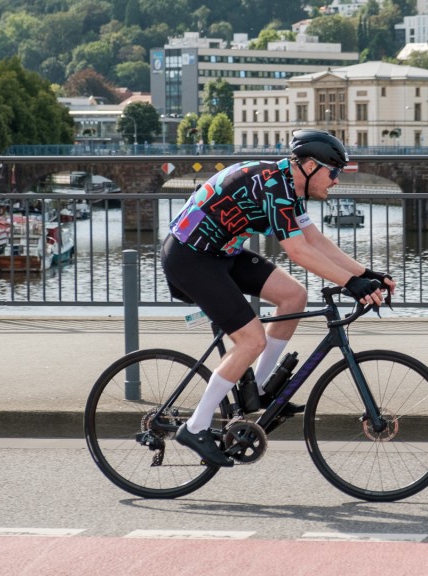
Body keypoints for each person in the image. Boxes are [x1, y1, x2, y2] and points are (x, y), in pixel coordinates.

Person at [161, 128, 395, 467]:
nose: (336, 181)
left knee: (293, 296)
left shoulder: (291, 185)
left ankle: (258, 391)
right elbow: (298, 251)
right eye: (334, 172)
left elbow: (315, 241)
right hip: (190, 257)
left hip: (222, 253)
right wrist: (349, 283)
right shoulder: (274, 184)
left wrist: (364, 275)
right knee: (250, 340)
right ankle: (195, 427)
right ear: (311, 166)